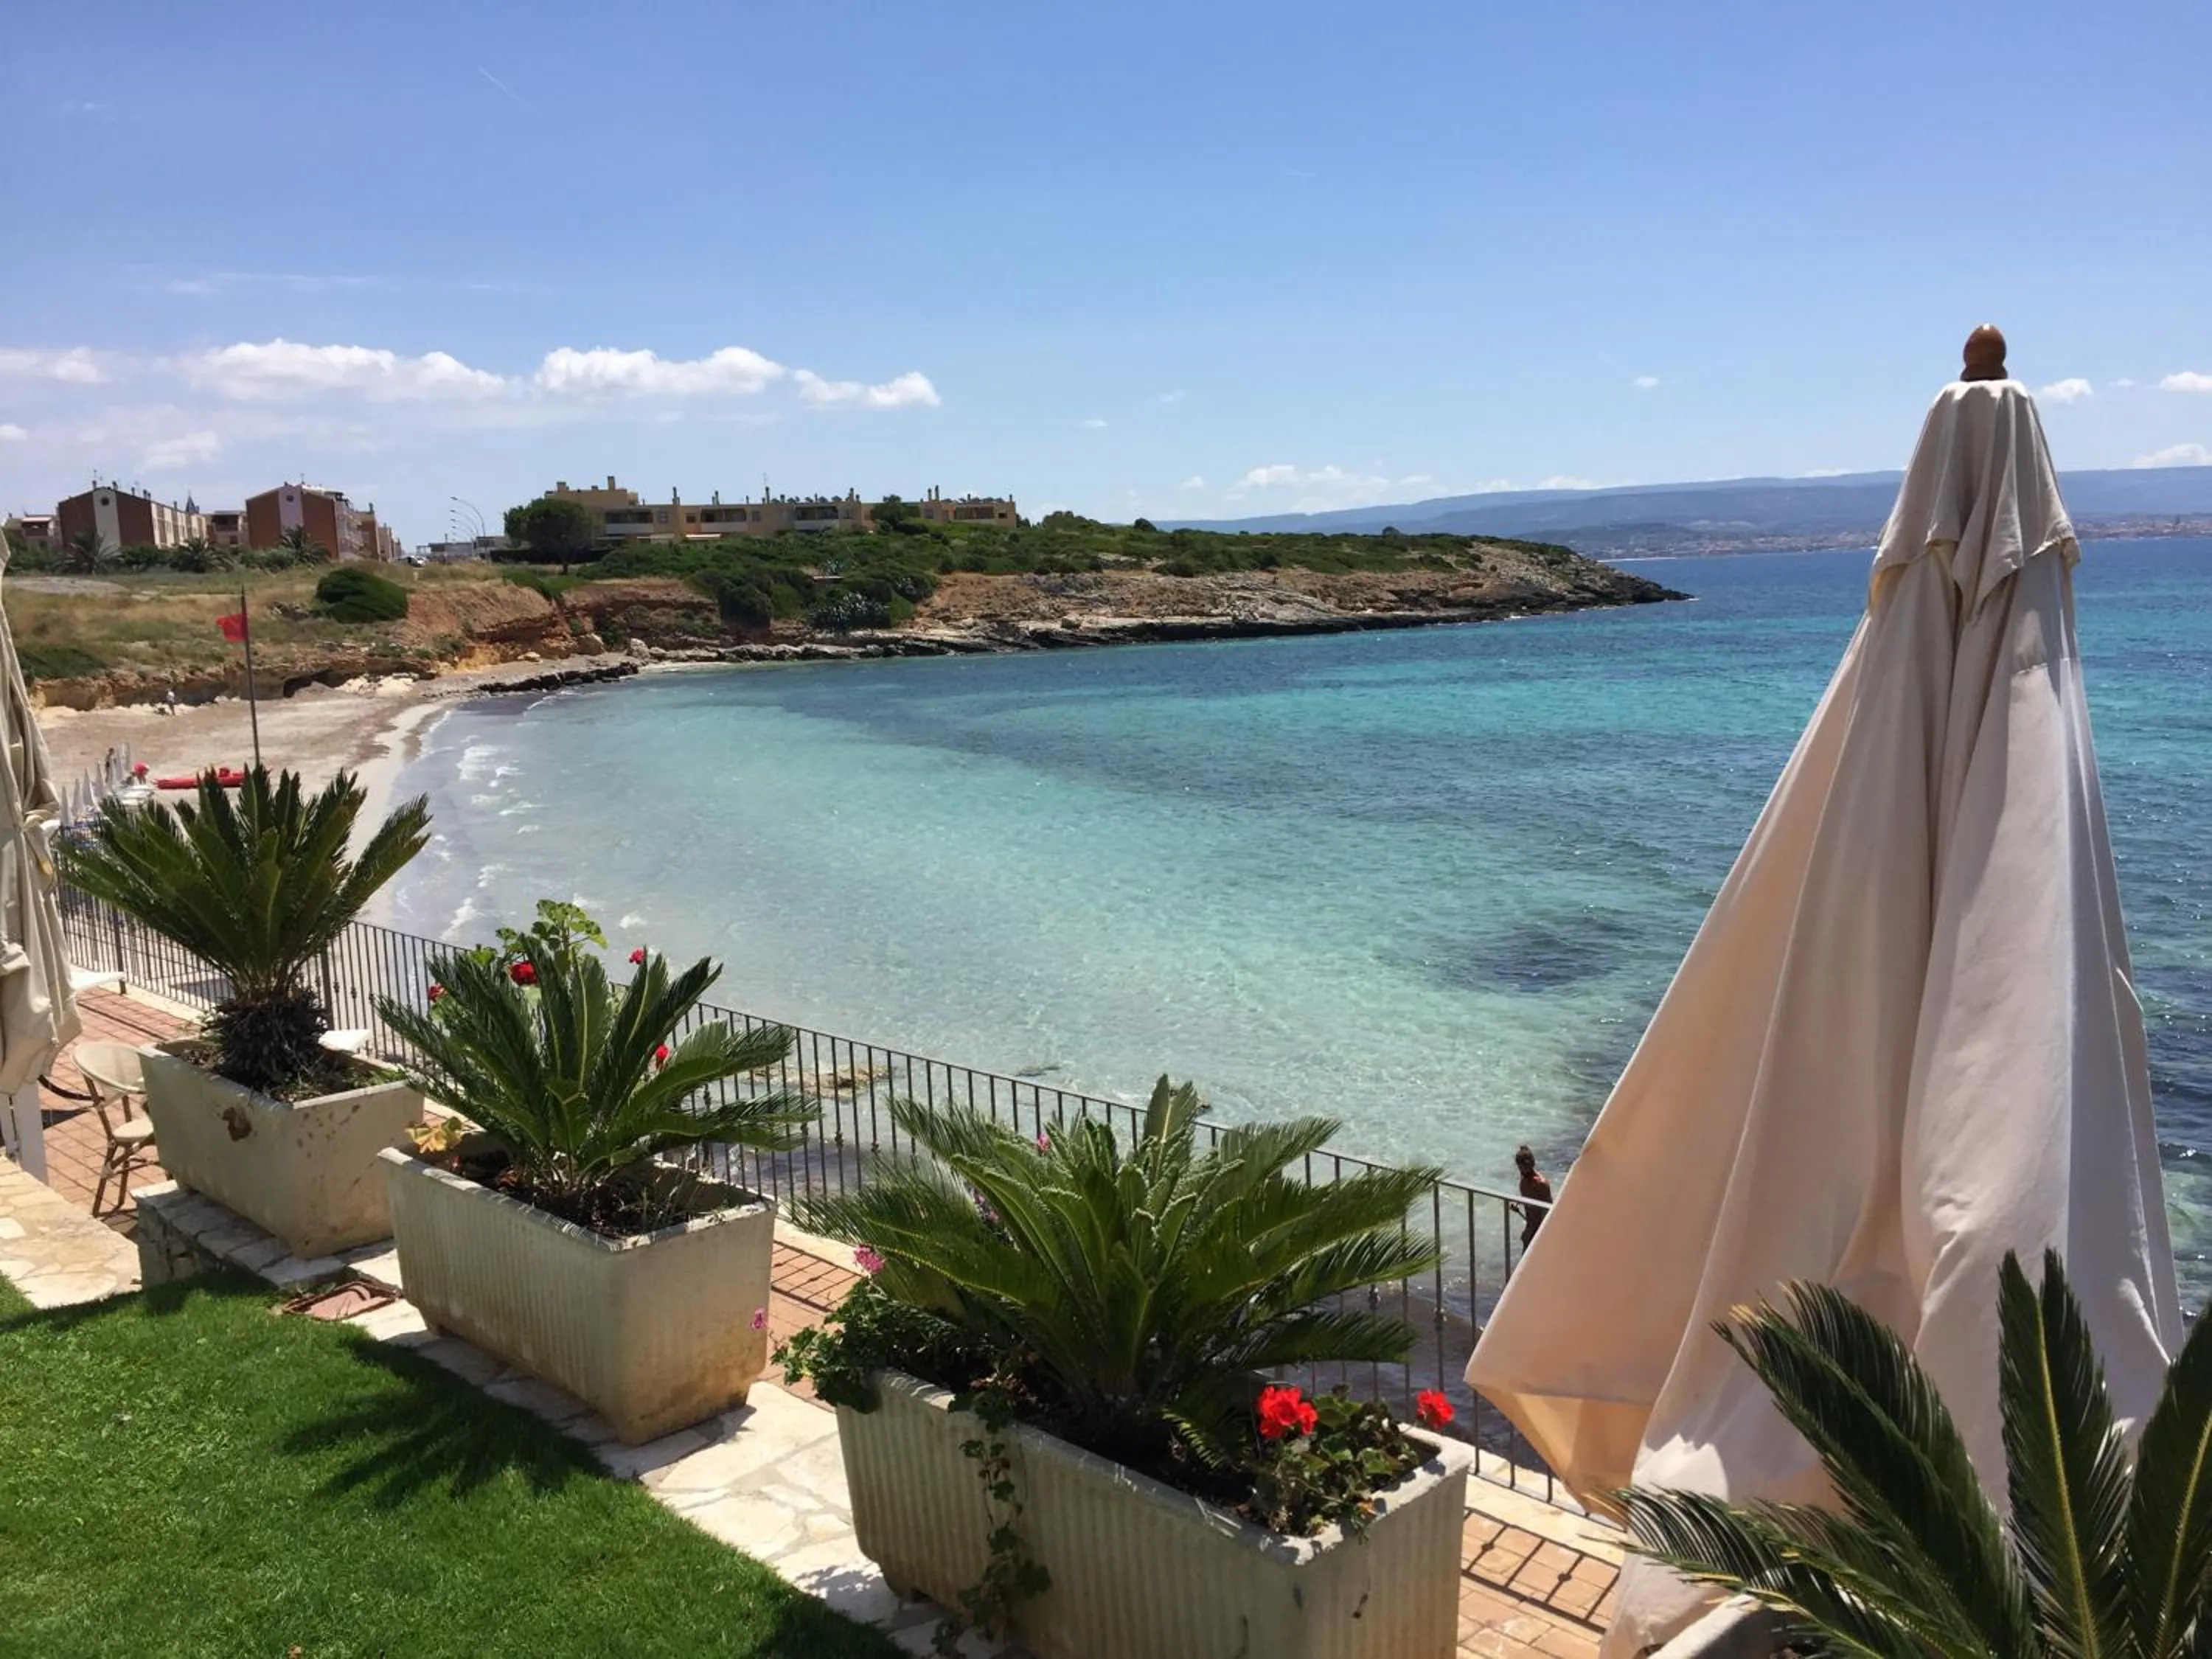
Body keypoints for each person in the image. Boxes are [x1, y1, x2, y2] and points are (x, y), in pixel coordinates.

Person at [1512, 1144, 1553, 1249]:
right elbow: (1527, 1194)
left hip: (1538, 1230)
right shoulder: (1524, 1176)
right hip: (1530, 1227)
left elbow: (1549, 1209)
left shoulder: (1541, 1184)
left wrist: (1542, 1234)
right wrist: (1518, 1202)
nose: (1521, 1170)